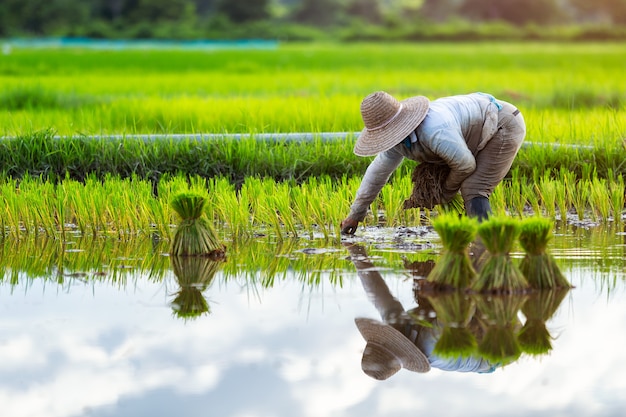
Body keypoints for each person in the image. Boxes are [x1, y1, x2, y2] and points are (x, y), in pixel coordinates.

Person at [341, 91, 526, 234]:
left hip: (503, 123)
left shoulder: (435, 130)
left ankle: (489, 244)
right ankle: (464, 238)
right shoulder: (395, 142)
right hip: (472, 134)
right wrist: (355, 215)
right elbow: (377, 174)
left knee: (474, 187)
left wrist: (444, 191)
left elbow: (465, 165)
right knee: (460, 184)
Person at [346, 243, 502, 379]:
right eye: (389, 338)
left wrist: (356, 254)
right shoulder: (432, 343)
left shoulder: (397, 328)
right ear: (398, 346)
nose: (387, 329)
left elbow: (377, 292)